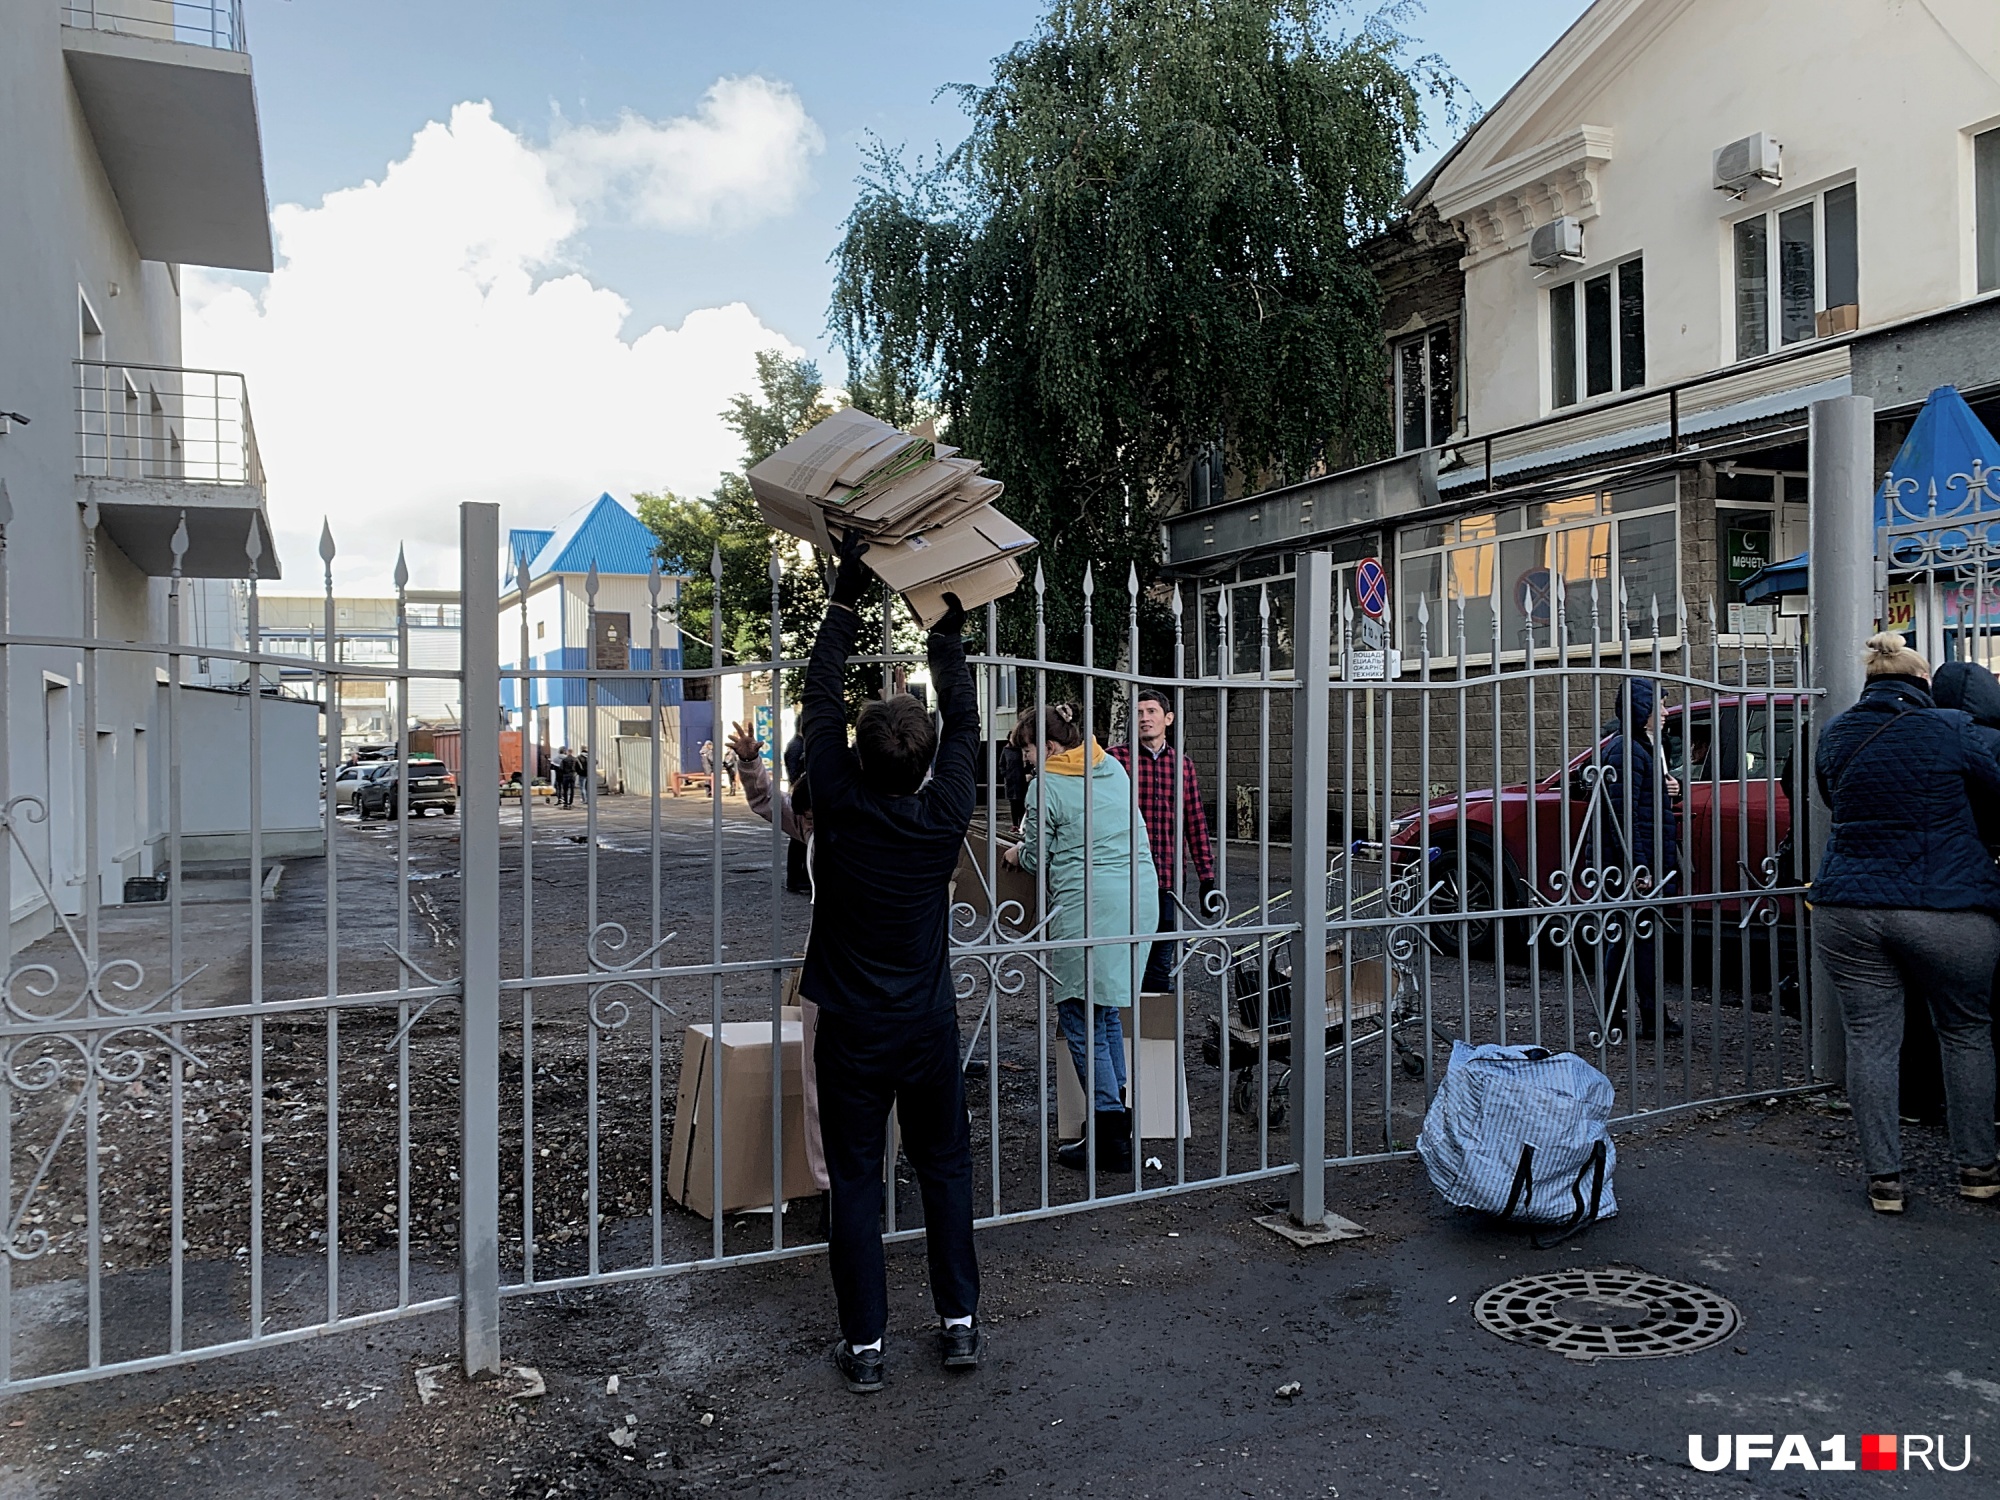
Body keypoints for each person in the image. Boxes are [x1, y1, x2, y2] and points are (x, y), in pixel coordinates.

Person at [800, 531, 981, 1394]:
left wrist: (843, 587)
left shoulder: (834, 802)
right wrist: (948, 630)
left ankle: (865, 1346)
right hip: (926, 1024)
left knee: (859, 1181)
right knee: (944, 1165)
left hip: (850, 1028)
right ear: (921, 759)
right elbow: (966, 727)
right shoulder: (944, 812)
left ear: (859, 754)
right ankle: (959, 1327)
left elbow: (815, 697)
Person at [1814, 633, 2000, 1215]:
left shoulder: (1836, 733)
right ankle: (1978, 1169)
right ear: (1923, 683)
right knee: (1965, 1032)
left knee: (1870, 1040)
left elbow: (1831, 801)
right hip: (1946, 908)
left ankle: (1885, 1180)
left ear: (1871, 682)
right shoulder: (1953, 728)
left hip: (1846, 909)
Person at [1004, 704, 1158, 1174]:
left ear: (1048, 747)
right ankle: (1117, 1124)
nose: (1026, 760)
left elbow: (1035, 858)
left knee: (1079, 1014)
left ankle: (1109, 1137)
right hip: (1138, 898)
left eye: (1028, 750)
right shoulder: (1108, 763)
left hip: (1089, 908)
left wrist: (1015, 851)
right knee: (1105, 1010)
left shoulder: (1044, 785)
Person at [727, 719, 830, 1200]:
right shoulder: (808, 828)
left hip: (865, 957)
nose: (808, 829)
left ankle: (873, 1171)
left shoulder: (862, 827)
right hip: (826, 958)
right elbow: (769, 803)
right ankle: (832, 1186)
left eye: (813, 821)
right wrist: (750, 764)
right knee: (819, 1077)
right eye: (804, 822)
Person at [1907, 659, 2000, 1126]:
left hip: (1922, 887)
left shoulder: (1921, 737)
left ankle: (1919, 1100)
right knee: (1973, 1020)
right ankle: (1980, 1123)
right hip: (1982, 886)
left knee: (1920, 1005)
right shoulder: (1988, 743)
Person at [1109, 688, 1218, 993]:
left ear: (1168, 718)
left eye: (1151, 711)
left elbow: (1194, 821)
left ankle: (1153, 1027)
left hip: (1168, 878)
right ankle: (1123, 1020)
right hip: (1125, 876)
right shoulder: (1114, 759)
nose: (1145, 718)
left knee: (1161, 954)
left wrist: (1206, 878)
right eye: (1139, 713)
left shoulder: (1182, 765)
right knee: (1123, 951)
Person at [1594, 678, 1680, 1041]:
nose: (1664, 712)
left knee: (1638, 938)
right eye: (1658, 705)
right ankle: (1618, 1016)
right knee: (1629, 939)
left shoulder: (1642, 747)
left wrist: (1668, 786)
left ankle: (1645, 1014)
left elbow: (1643, 801)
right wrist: (1639, 867)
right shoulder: (1626, 750)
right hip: (1631, 865)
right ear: (1640, 709)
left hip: (1641, 861)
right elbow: (1623, 813)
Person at [784, 733, 812, 892]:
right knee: (799, 842)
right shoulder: (798, 746)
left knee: (799, 842)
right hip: (802, 796)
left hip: (802, 794)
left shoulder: (799, 744)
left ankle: (798, 878)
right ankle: (796, 879)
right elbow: (795, 772)